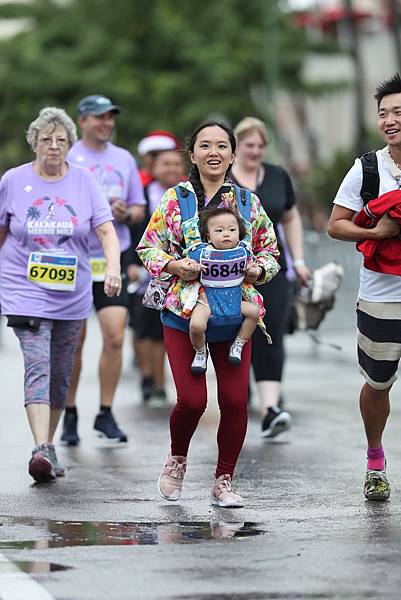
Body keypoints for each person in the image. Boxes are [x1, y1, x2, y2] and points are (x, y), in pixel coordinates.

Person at [136, 120, 280, 507]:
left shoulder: (248, 202)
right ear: (192, 154)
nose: (213, 152)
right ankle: (177, 460)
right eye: (205, 145)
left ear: (233, 154)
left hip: (235, 318)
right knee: (193, 401)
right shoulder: (174, 199)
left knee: (234, 401)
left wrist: (257, 269)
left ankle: (224, 480)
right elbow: (148, 248)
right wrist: (174, 266)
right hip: (185, 317)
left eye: (222, 145)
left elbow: (271, 253)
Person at [0, 107, 121, 482]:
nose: (53, 146)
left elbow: (105, 231)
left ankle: (47, 448)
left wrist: (113, 267)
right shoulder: (13, 181)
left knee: (60, 373)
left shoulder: (85, 182)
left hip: (72, 294)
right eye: (46, 139)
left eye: (61, 140)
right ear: (34, 142)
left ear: (70, 145)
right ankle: (41, 446)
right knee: (38, 365)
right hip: (24, 288)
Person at [327, 73, 401, 501]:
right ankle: (375, 459)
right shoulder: (367, 168)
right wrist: (378, 232)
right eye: (383, 113)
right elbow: (336, 225)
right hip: (382, 293)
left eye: (397, 112)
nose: (389, 120)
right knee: (379, 382)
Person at [61, 94, 146, 445]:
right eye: (99, 118)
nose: (107, 123)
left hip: (114, 256)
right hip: (75, 258)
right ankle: (69, 414)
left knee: (114, 336)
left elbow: (141, 209)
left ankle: (105, 413)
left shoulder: (124, 159)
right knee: (74, 342)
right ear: (82, 121)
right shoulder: (68, 157)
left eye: (110, 117)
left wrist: (125, 213)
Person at [231, 117, 310, 438]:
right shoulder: (221, 178)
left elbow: (290, 218)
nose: (256, 151)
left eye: (261, 146)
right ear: (236, 147)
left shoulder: (277, 176)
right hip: (229, 271)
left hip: (272, 268)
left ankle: (270, 408)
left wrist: (299, 261)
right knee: (234, 331)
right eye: (249, 145)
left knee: (271, 332)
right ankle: (238, 395)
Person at [128, 148, 185, 405]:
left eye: (176, 164)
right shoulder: (142, 195)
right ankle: (147, 377)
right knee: (143, 328)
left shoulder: (187, 196)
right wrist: (130, 263)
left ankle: (160, 384)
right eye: (166, 164)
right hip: (142, 271)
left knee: (164, 329)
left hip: (176, 271)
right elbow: (131, 233)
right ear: (153, 167)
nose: (171, 169)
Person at [188, 207, 260, 374]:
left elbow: (253, 266)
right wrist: (193, 267)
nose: (226, 234)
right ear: (208, 236)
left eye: (232, 230)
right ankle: (200, 351)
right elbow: (188, 261)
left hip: (235, 301)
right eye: (219, 230)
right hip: (208, 301)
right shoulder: (202, 252)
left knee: (255, 313)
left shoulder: (243, 252)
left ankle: (239, 343)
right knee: (196, 325)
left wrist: (253, 271)